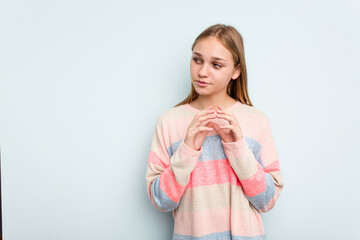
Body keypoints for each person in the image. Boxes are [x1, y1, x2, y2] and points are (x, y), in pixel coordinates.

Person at [145, 23, 284, 240]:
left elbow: (267, 200)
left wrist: (237, 148)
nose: (202, 71)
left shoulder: (257, 121)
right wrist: (188, 149)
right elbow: (161, 200)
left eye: (216, 65)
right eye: (197, 59)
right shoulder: (169, 122)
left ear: (236, 71)